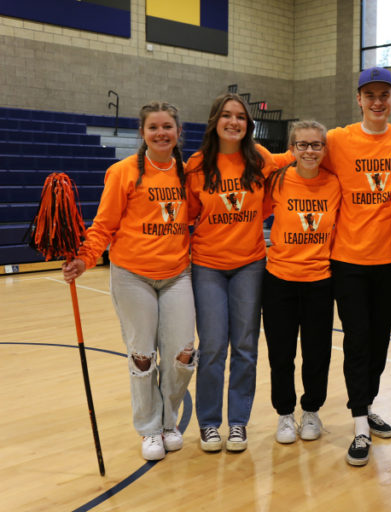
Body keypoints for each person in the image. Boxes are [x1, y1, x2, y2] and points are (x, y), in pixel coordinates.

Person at [62, 102, 196, 461]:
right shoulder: (123, 172)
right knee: (142, 357)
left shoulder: (188, 174)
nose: (161, 133)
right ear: (143, 133)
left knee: (183, 353)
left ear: (178, 132)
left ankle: (170, 421)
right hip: (132, 276)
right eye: (153, 127)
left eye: (168, 126)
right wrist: (85, 258)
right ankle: (150, 428)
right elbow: (103, 225)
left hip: (177, 275)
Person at [322, 67, 391, 466]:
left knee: (379, 342)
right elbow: (298, 158)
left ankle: (367, 402)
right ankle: (360, 423)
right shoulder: (337, 140)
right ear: (358, 99)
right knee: (358, 340)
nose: (377, 102)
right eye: (370, 95)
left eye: (384, 95)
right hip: (348, 260)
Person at [185, 93, 275, 453]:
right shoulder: (196, 164)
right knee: (211, 347)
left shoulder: (260, 159)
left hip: (250, 263)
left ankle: (237, 423)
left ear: (248, 124)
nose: (234, 121)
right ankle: (209, 423)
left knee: (245, 347)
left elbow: (269, 201)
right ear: (215, 121)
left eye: (240, 116)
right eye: (226, 115)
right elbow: (187, 214)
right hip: (207, 264)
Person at [262, 121, 341, 444]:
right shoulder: (277, 181)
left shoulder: (335, 184)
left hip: (320, 281)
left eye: (316, 145)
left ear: (325, 149)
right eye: (302, 145)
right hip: (279, 279)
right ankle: (284, 414)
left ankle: (311, 410)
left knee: (316, 353)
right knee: (281, 354)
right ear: (291, 149)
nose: (310, 151)